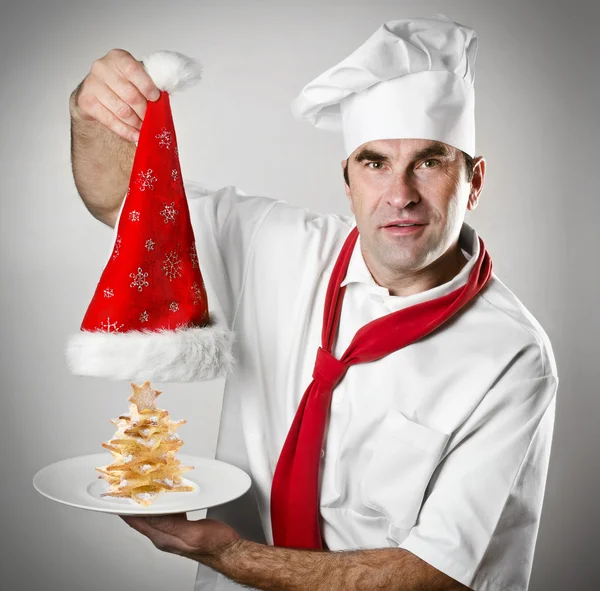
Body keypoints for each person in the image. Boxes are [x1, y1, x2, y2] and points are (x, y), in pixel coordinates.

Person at [69, 15, 558, 591]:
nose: (399, 194)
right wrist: (92, 112)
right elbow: (124, 204)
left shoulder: (512, 355)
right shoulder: (276, 246)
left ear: (473, 181)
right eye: (375, 163)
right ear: (347, 180)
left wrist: (231, 555)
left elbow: (433, 576)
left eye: (429, 162)